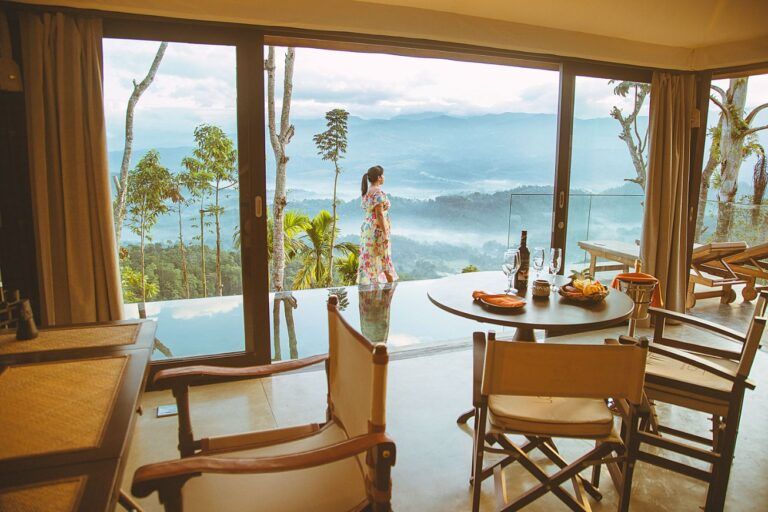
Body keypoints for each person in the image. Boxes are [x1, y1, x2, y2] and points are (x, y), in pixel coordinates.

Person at [358, 165, 398, 285]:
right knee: (384, 260)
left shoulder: (366, 192)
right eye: (383, 175)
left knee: (370, 260)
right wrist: (385, 234)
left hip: (367, 230)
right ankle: (388, 295)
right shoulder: (378, 192)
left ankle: (372, 296)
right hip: (378, 230)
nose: (384, 177)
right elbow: (379, 214)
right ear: (379, 177)